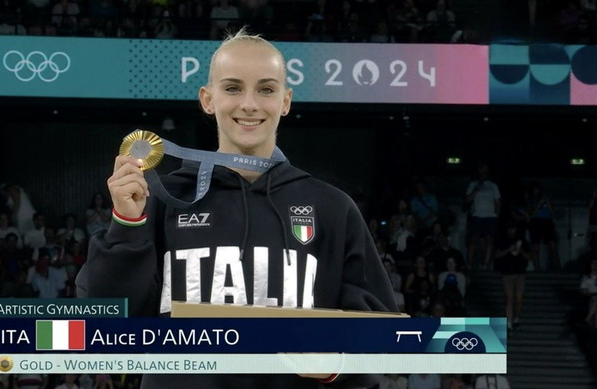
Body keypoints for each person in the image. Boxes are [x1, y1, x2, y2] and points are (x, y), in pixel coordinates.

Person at [76, 27, 397, 389]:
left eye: (266, 89)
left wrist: (335, 365)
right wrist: (127, 224)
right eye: (232, 88)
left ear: (286, 101)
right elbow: (106, 328)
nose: (249, 104)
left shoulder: (332, 207)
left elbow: (384, 337)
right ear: (207, 99)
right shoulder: (161, 200)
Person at [493, 222, 531, 331]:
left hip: (520, 273)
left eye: (513, 228)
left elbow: (529, 256)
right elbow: (496, 254)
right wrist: (509, 250)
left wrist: (520, 251)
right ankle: (509, 322)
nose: (511, 231)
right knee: (509, 298)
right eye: (509, 228)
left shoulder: (523, 242)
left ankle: (516, 318)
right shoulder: (502, 240)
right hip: (507, 273)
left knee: (519, 298)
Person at [464, 162, 501, 270]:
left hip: (490, 216)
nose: (483, 174)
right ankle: (469, 263)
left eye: (485, 171)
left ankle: (485, 264)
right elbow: (467, 200)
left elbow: (498, 201)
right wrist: (476, 190)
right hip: (477, 215)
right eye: (481, 171)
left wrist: (497, 214)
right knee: (473, 239)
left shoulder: (493, 186)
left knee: (489, 240)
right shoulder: (473, 184)